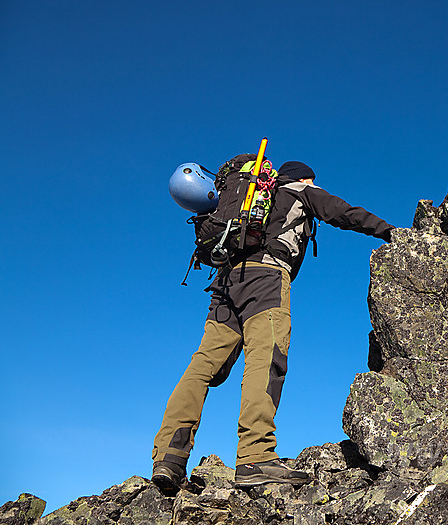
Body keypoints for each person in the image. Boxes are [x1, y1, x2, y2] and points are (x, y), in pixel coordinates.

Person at [151, 161, 394, 492]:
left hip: (225, 283)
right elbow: (343, 212)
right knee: (265, 360)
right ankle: (255, 457)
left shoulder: (245, 197)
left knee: (202, 367)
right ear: (305, 177)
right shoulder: (300, 189)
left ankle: (169, 458)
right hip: (265, 280)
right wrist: (390, 232)